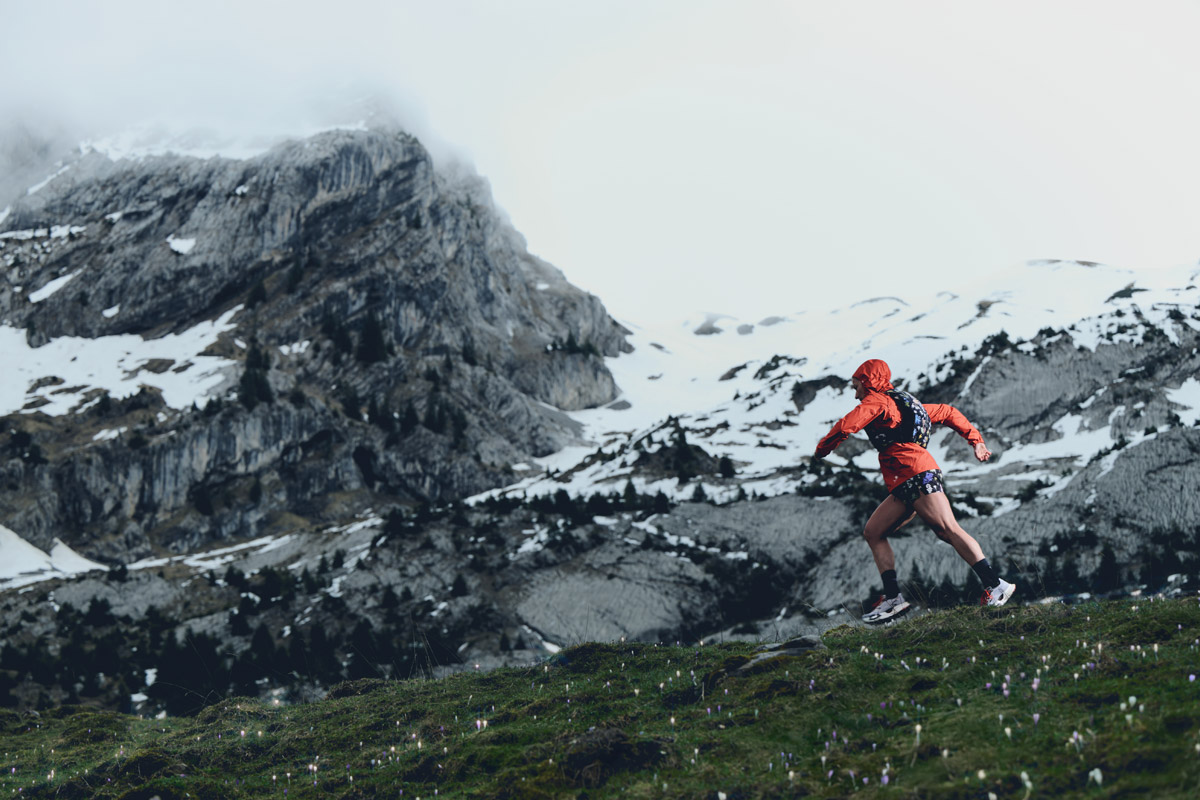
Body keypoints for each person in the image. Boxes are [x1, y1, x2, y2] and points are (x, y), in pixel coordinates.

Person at [813, 358, 1015, 622]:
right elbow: (948, 412)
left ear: (868, 382)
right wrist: (975, 440)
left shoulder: (878, 401)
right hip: (906, 478)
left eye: (856, 385)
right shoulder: (909, 404)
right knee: (874, 532)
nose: (855, 393)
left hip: (915, 474)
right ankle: (893, 598)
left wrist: (822, 449)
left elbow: (847, 424)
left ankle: (996, 585)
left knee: (948, 530)